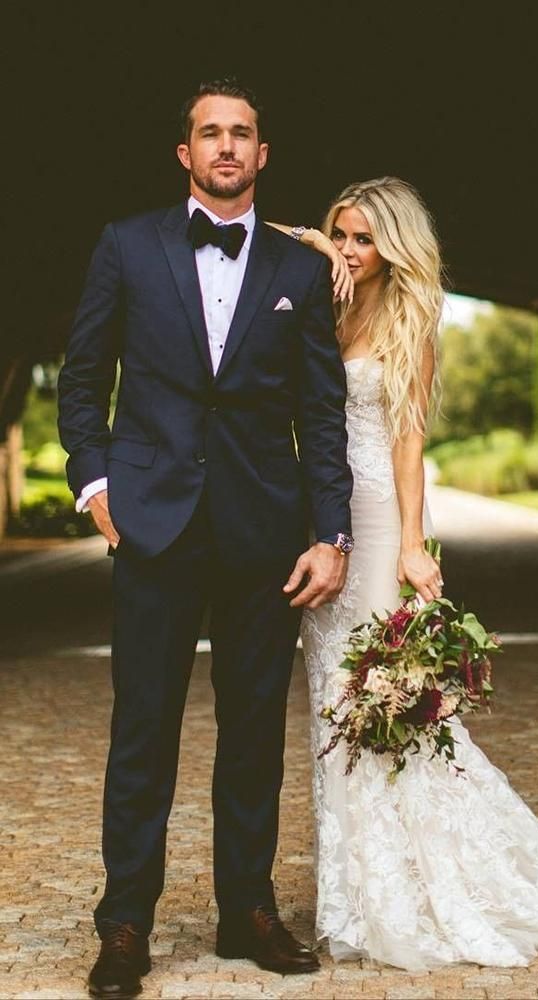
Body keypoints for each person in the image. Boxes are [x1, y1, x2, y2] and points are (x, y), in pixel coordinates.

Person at [301, 176, 538, 970]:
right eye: (343, 234)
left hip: (375, 517)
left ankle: (417, 885)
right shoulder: (324, 303)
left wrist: (409, 546)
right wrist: (314, 246)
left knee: (378, 701)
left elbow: (406, 444)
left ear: (394, 244)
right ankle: (360, 885)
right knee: (332, 698)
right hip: (319, 518)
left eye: (365, 238)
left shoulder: (409, 322)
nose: (352, 251)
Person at [58, 78, 355, 998]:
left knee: (253, 730)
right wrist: (95, 483)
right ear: (184, 153)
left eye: (243, 134)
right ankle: (124, 923)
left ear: (262, 155)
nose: (226, 147)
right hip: (152, 527)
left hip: (263, 533)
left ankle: (247, 911)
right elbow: (81, 381)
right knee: (142, 728)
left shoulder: (300, 270)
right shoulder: (126, 245)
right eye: (209, 134)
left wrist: (331, 531)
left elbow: (322, 412)